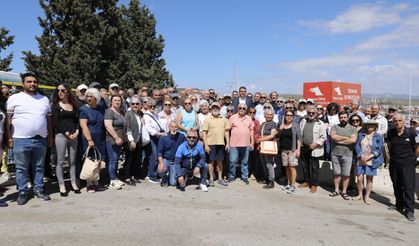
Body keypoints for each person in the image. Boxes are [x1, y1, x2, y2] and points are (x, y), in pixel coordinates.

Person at [5, 73, 53, 205]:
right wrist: (9, 137)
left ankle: (38, 189)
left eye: (35, 81)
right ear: (23, 83)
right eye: (29, 81)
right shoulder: (14, 98)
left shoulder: (44, 99)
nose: (32, 84)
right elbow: (8, 121)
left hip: (40, 139)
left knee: (39, 167)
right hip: (20, 139)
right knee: (21, 168)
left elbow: (48, 120)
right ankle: (23, 191)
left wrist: (50, 137)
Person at [387, 114, 418, 221]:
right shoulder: (391, 132)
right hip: (394, 163)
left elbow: (417, 147)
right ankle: (399, 204)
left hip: (408, 164)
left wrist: (413, 159)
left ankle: (409, 210)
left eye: (400, 120)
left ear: (404, 121)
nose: (398, 122)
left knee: (408, 187)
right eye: (395, 121)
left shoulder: (412, 132)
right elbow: (390, 145)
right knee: (396, 185)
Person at [51, 84, 81, 196]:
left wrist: (77, 131)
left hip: (74, 135)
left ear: (68, 91)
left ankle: (73, 183)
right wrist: (67, 133)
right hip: (61, 136)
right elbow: (56, 122)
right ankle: (61, 184)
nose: (60, 92)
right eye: (58, 90)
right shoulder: (55, 105)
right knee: (60, 161)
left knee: (72, 161)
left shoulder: (74, 104)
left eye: (62, 90)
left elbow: (77, 120)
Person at [79, 88, 107, 193]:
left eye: (91, 96)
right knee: (90, 161)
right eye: (87, 96)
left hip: (101, 138)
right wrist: (89, 140)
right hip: (89, 139)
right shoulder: (83, 109)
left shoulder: (100, 108)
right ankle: (89, 184)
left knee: (98, 161)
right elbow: (83, 125)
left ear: (96, 98)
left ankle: (96, 182)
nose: (89, 98)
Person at [353, 120, 384, 205]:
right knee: (359, 179)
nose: (370, 126)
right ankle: (359, 194)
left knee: (369, 179)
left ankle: (367, 196)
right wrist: (360, 155)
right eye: (369, 125)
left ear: (375, 126)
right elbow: (357, 146)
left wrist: (370, 156)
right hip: (361, 158)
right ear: (366, 126)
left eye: (372, 125)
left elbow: (380, 148)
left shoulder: (379, 136)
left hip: (372, 159)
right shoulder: (361, 135)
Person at [329, 111, 358, 200]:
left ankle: (344, 191)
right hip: (335, 153)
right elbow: (333, 137)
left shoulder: (353, 128)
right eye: (341, 117)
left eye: (345, 117)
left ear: (348, 117)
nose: (343, 119)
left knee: (346, 174)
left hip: (348, 154)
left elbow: (353, 140)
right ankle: (336, 190)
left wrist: (339, 140)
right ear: (339, 118)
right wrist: (346, 138)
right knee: (336, 173)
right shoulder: (335, 127)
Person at [299, 106, 326, 193]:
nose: (311, 114)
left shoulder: (320, 123)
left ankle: (314, 184)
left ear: (316, 113)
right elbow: (300, 133)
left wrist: (315, 144)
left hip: (315, 148)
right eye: (309, 112)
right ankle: (307, 181)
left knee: (315, 168)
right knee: (305, 166)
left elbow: (323, 137)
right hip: (304, 147)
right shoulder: (303, 121)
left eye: (313, 113)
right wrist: (300, 143)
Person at [202, 102, 230, 187]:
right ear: (211, 109)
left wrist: (228, 143)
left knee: (220, 161)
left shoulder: (224, 119)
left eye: (217, 107)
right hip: (210, 143)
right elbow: (204, 133)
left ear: (220, 109)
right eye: (213, 107)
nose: (215, 109)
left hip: (221, 143)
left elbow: (226, 132)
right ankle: (211, 179)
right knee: (211, 162)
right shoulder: (207, 119)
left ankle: (220, 178)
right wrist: (206, 145)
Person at [228, 103, 254, 184]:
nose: (242, 109)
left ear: (246, 110)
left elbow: (251, 131)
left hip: (246, 144)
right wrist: (228, 143)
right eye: (240, 108)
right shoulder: (232, 118)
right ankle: (232, 176)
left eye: (243, 108)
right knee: (232, 161)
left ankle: (244, 176)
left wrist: (252, 142)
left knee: (245, 162)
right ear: (237, 108)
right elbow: (227, 131)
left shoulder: (249, 118)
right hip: (234, 144)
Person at [104, 95, 126, 190]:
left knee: (116, 159)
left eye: (119, 100)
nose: (117, 102)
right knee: (113, 160)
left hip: (119, 140)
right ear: (111, 101)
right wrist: (116, 138)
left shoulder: (120, 112)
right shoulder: (109, 111)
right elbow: (108, 126)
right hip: (112, 139)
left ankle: (115, 178)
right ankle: (112, 181)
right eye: (115, 100)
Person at [143, 98, 167, 183]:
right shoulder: (146, 115)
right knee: (153, 157)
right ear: (147, 106)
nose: (153, 107)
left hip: (157, 137)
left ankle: (153, 174)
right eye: (151, 106)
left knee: (156, 156)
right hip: (152, 138)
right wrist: (158, 134)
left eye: (154, 106)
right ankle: (151, 176)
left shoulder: (156, 115)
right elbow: (149, 128)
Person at [278, 110, 301, 194]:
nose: (289, 116)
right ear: (284, 116)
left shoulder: (295, 126)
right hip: (283, 149)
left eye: (291, 115)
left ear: (293, 117)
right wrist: (280, 130)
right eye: (287, 115)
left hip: (292, 150)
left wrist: (298, 150)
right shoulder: (282, 125)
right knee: (287, 167)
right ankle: (288, 183)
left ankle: (293, 185)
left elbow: (299, 139)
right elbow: (279, 136)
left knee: (292, 167)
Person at [157, 121, 186, 187]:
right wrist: (161, 163)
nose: (173, 129)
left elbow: (186, 148)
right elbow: (159, 152)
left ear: (178, 128)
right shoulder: (163, 137)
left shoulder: (181, 136)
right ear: (169, 127)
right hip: (166, 159)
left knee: (173, 183)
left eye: (175, 127)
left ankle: (173, 175)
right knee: (160, 170)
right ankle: (164, 179)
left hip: (175, 161)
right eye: (172, 127)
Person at [124, 96, 144, 185]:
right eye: (133, 104)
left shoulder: (140, 113)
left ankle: (133, 176)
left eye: (137, 104)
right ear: (130, 104)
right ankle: (127, 177)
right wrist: (132, 140)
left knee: (136, 160)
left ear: (140, 105)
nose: (135, 105)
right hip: (131, 140)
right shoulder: (128, 114)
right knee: (129, 160)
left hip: (138, 140)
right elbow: (127, 128)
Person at [257, 108, 278, 189]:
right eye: (268, 114)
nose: (269, 116)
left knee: (269, 164)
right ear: (264, 115)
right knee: (263, 163)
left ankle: (271, 181)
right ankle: (267, 179)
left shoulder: (273, 124)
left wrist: (261, 139)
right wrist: (259, 143)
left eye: (271, 114)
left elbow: (272, 135)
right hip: (262, 146)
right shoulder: (263, 124)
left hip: (269, 146)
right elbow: (260, 135)